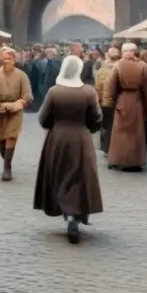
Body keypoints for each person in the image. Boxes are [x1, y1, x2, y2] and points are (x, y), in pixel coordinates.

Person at [34, 56, 103, 244]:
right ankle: (75, 214)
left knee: (60, 175)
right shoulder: (88, 92)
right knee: (80, 176)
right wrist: (88, 128)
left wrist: (55, 126)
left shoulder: (54, 92)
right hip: (81, 138)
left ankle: (68, 211)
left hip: (58, 138)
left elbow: (43, 118)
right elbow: (96, 117)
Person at [107, 43, 147, 171]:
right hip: (137, 102)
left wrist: (110, 102)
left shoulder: (118, 65)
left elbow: (111, 86)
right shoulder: (143, 66)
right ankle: (136, 161)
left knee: (120, 133)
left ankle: (118, 159)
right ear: (134, 52)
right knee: (136, 133)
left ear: (124, 52)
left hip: (123, 100)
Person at [0, 47, 34, 181]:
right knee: (0, 140)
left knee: (11, 136)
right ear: (1, 59)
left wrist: (18, 104)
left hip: (14, 112)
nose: (7, 61)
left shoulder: (21, 76)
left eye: (9, 58)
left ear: (14, 60)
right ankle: (6, 158)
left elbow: (27, 96)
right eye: (4, 58)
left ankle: (7, 168)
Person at [94, 47, 120, 155]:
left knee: (106, 126)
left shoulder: (101, 71)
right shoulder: (120, 69)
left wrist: (98, 101)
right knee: (118, 125)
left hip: (105, 103)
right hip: (118, 101)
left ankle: (106, 148)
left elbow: (98, 88)